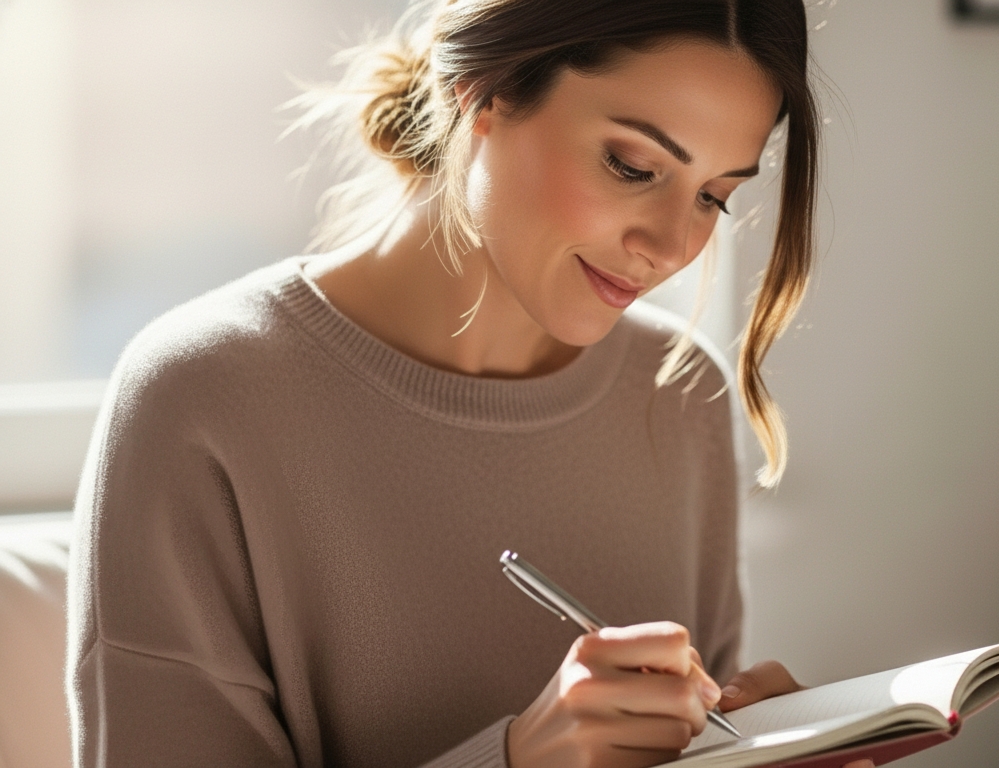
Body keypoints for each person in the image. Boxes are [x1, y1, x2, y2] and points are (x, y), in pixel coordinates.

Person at [66, 1, 872, 767]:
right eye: (633, 166)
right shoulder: (201, 400)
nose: (669, 245)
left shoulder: (677, 393)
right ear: (484, 92)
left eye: (712, 197)